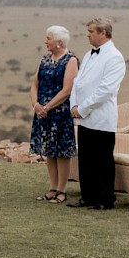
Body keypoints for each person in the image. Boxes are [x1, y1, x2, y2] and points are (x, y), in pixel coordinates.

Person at [68, 18, 126, 211]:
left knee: (102, 161)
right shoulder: (88, 54)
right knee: (86, 160)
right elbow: (78, 82)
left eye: (91, 31)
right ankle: (88, 197)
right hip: (84, 119)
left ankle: (105, 199)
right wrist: (74, 104)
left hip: (101, 119)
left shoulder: (115, 57)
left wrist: (82, 108)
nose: (88, 35)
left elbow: (105, 90)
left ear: (103, 33)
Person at [28, 25, 79, 204]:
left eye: (48, 38)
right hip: (43, 112)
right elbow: (35, 84)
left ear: (59, 42)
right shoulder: (45, 59)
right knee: (50, 150)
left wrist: (47, 107)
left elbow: (67, 90)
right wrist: (36, 105)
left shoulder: (70, 60)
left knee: (62, 152)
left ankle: (62, 190)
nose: (45, 41)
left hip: (60, 113)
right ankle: (52, 187)